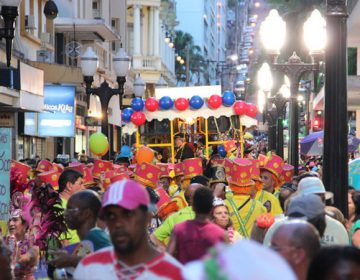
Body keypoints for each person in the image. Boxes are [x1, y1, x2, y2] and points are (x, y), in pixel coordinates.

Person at [73, 179, 183, 279]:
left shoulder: (173, 274)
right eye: (110, 215)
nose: (118, 223)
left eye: (127, 214)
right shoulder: (87, 268)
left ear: (147, 218)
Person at [50, 190, 111, 271]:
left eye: (70, 210)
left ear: (86, 213)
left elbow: (115, 260)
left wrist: (73, 260)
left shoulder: (95, 236)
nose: (65, 214)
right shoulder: (87, 239)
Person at [167, 187, 228, 264]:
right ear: (211, 208)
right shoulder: (221, 234)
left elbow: (168, 258)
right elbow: (226, 264)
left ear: (193, 207)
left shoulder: (179, 229)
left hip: (184, 274)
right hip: (208, 275)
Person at [150, 183, 202, 249]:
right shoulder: (211, 213)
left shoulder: (174, 217)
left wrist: (168, 254)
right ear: (193, 197)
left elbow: (153, 238)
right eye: (203, 192)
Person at [58, 169, 85, 245]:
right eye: (80, 184)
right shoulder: (58, 207)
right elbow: (64, 244)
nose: (83, 188)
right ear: (69, 185)